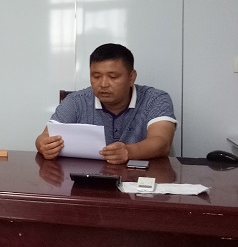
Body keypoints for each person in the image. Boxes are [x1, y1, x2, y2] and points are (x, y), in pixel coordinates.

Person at [35, 43, 177, 164]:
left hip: (141, 179)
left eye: (112, 76)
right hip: (88, 179)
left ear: (131, 77)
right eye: (96, 76)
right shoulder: (76, 101)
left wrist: (129, 151)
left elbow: (162, 142)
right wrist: (44, 146)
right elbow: (44, 137)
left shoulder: (155, 99)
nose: (103, 84)